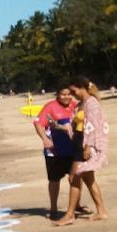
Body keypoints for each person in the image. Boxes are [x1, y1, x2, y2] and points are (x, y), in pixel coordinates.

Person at [55, 77, 110, 226]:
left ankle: (70, 214)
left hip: (85, 144)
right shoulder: (81, 104)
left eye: (74, 91)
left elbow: (94, 126)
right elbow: (75, 125)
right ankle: (101, 211)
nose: (73, 95)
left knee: (74, 177)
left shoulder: (92, 104)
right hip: (79, 142)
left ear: (82, 87)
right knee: (88, 179)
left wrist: (88, 146)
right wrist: (59, 127)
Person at [33, 86, 77, 219]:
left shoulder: (75, 105)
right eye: (63, 94)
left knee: (74, 179)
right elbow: (38, 123)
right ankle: (53, 208)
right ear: (57, 94)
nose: (66, 97)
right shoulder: (50, 107)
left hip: (73, 149)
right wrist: (45, 139)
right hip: (54, 151)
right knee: (54, 180)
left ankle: (75, 206)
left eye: (69, 94)